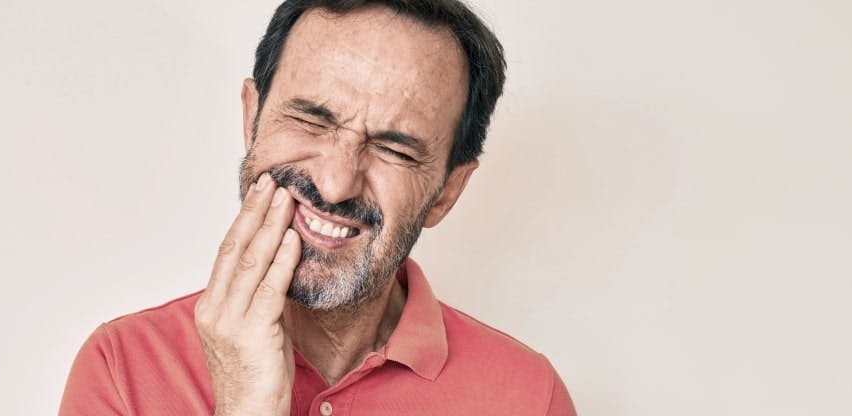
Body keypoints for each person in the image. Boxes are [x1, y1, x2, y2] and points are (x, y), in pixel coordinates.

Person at [59, 1, 577, 415]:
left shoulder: (530, 398)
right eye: (310, 120)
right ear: (252, 117)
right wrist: (244, 404)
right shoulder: (121, 371)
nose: (333, 184)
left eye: (395, 149)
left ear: (446, 191)